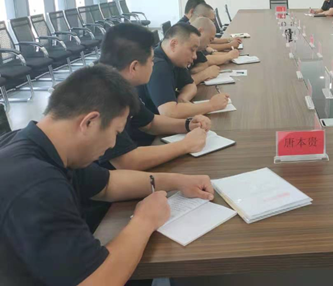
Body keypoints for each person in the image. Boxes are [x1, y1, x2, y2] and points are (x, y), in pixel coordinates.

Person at [0, 65, 215, 285]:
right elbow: (96, 281)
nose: (113, 144)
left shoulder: (42, 145)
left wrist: (178, 181)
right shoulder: (36, 184)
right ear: (89, 122)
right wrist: (145, 220)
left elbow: (108, 183)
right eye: (115, 133)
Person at [98, 23, 212, 169]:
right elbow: (127, 161)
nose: (153, 65)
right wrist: (185, 145)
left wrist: (187, 124)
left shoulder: (121, 85)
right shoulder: (103, 96)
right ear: (134, 67)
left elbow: (150, 123)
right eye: (151, 60)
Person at [137, 23, 230, 119]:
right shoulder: (158, 66)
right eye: (192, 50)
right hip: (151, 126)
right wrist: (211, 105)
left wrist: (183, 97)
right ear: (173, 45)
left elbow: (190, 84)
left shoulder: (175, 60)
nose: (195, 56)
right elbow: (169, 112)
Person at [188, 16, 240, 84]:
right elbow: (183, 84)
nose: (209, 44)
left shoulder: (197, 50)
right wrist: (205, 74)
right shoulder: (183, 50)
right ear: (200, 31)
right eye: (210, 39)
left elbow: (204, 63)